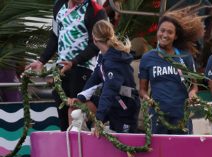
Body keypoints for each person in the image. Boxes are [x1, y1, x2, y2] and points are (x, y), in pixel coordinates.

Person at [25, 0, 107, 131]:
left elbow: (96, 44)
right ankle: (66, 146)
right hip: (61, 69)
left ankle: (82, 146)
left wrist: (75, 61)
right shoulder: (59, 5)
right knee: (62, 110)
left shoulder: (95, 10)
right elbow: (54, 36)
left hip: (82, 68)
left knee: (76, 111)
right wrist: (41, 61)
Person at [138, 6, 203, 134]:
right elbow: (142, 89)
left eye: (170, 32)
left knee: (181, 152)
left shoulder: (185, 57)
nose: (165, 35)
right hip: (157, 115)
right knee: (158, 152)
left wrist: (192, 93)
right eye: (162, 30)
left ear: (175, 36)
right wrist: (147, 99)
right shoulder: (147, 58)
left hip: (181, 115)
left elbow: (194, 87)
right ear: (157, 31)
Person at [67, 20, 140, 133]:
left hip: (125, 107)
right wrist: (80, 98)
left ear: (94, 39)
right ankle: (79, 144)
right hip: (112, 103)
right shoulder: (103, 56)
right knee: (75, 108)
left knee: (123, 145)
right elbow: (95, 79)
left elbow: (109, 90)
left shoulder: (113, 61)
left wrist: (99, 119)